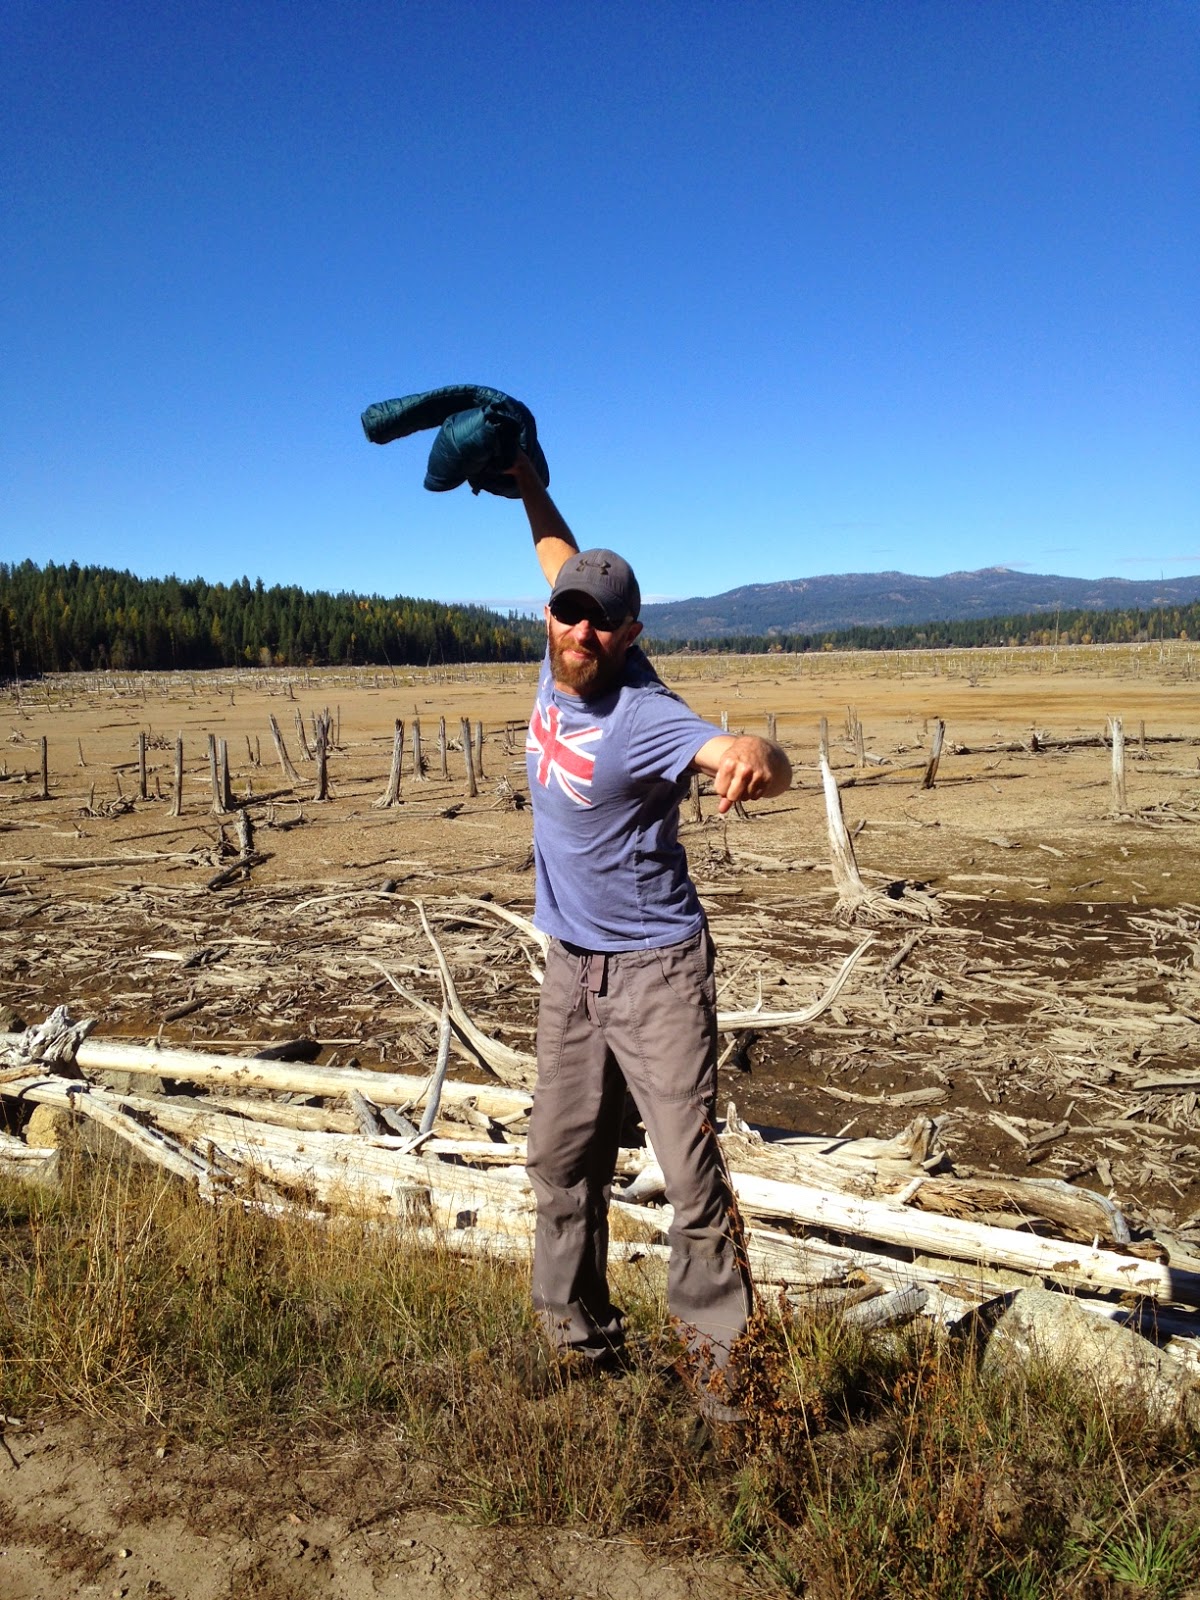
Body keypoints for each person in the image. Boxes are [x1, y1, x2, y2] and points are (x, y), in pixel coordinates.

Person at [508, 454, 792, 1419]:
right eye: (567, 610)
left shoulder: (646, 713)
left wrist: (759, 754)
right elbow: (555, 550)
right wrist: (529, 485)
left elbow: (740, 750)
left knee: (690, 1178)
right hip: (569, 966)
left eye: (600, 620)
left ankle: (726, 1391)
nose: (580, 630)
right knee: (560, 1160)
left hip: (656, 972)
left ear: (631, 635)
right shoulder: (558, 646)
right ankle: (575, 1345)